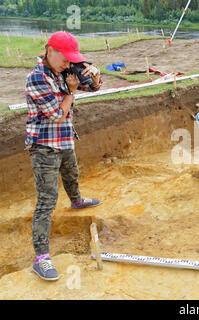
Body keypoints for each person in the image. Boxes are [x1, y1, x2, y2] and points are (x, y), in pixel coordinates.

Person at [25, 31, 104, 280]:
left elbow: (92, 88)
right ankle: (41, 258)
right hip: (44, 146)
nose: (69, 64)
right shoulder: (37, 78)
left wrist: (94, 76)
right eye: (65, 59)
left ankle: (77, 201)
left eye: (72, 60)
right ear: (50, 50)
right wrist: (71, 91)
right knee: (47, 200)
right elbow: (57, 114)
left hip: (64, 138)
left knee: (72, 173)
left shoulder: (63, 70)